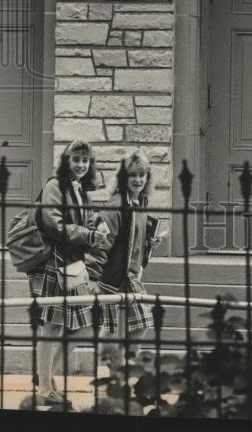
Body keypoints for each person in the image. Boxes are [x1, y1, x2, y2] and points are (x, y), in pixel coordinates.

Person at [28, 139, 109, 405]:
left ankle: (45, 377)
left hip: (72, 265)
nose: (81, 165)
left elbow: (83, 224)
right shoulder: (55, 186)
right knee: (51, 326)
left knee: (85, 326)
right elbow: (53, 224)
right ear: (66, 161)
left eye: (86, 160)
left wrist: (97, 228)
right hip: (52, 263)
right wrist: (89, 234)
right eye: (76, 159)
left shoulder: (82, 191)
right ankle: (44, 387)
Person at [86, 150, 165, 370]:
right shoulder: (117, 206)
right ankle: (112, 370)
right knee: (117, 327)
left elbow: (133, 242)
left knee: (138, 324)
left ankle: (119, 367)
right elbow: (101, 241)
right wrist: (92, 277)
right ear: (124, 178)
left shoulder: (139, 204)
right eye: (133, 175)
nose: (138, 180)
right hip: (113, 277)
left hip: (130, 276)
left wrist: (150, 243)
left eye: (142, 175)